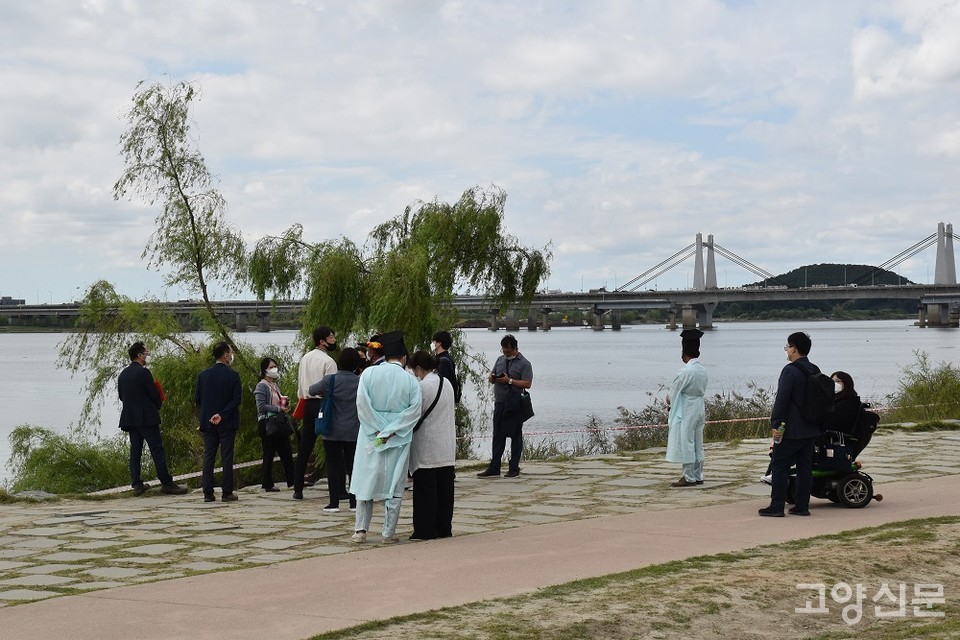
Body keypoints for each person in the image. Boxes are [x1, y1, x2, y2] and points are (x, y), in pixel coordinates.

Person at [350, 331, 422, 544]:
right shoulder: (410, 380)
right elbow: (414, 411)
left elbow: (362, 405)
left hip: (371, 435)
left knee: (366, 480)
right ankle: (388, 533)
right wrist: (391, 430)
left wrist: (379, 429)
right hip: (397, 438)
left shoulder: (368, 375)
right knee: (394, 484)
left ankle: (360, 530)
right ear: (404, 358)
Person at [759, 331, 824, 517]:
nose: (786, 350)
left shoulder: (790, 371)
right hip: (811, 427)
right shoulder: (814, 368)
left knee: (780, 464)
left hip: (791, 428)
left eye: (787, 347)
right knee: (805, 467)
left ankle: (777, 506)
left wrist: (775, 422)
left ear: (794, 349)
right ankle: (802, 506)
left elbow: (782, 399)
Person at [117, 342, 187, 496]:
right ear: (139, 355)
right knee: (157, 449)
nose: (147, 355)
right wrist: (157, 405)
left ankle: (137, 483)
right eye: (145, 352)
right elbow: (154, 395)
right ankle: (167, 483)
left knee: (135, 450)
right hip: (147, 418)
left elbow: (122, 396)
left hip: (130, 418)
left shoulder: (123, 374)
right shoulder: (144, 373)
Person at [308, 347, 364, 513]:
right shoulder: (360, 381)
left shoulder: (329, 380)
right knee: (353, 466)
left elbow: (311, 390)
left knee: (333, 465)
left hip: (331, 430)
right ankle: (354, 502)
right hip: (354, 430)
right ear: (356, 364)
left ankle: (334, 503)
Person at [408, 350, 456, 540]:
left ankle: (425, 529)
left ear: (418, 368)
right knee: (445, 490)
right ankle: (443, 527)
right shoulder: (447, 384)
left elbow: (414, 414)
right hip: (446, 443)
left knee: (426, 491)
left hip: (427, 444)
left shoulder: (422, 387)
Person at [477, 334, 533, 478]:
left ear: (515, 348)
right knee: (498, 435)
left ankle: (514, 467)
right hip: (500, 402)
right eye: (504, 351)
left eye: (508, 351)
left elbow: (527, 383)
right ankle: (494, 466)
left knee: (515, 435)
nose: (506, 354)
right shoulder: (499, 360)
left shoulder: (525, 364)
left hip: (515, 403)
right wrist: (492, 378)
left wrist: (509, 381)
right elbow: (493, 376)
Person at [293, 326, 339, 500]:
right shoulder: (328, 362)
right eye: (331, 336)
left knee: (305, 447)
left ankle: (298, 488)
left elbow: (300, 386)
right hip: (323, 403)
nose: (334, 339)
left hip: (307, 403)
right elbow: (332, 388)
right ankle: (337, 488)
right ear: (322, 341)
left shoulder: (305, 358)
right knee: (331, 446)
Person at [196, 341, 242, 503]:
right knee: (226, 456)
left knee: (209, 456)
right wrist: (222, 414)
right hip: (227, 421)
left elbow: (198, 399)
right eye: (230, 352)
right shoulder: (233, 375)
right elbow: (236, 400)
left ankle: (208, 492)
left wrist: (210, 414)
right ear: (225, 355)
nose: (231, 355)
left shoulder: (203, 375)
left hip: (208, 421)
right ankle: (227, 492)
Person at [665, 329, 708, 487]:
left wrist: (669, 402)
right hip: (699, 407)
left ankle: (688, 476)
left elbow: (674, 393)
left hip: (687, 409)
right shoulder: (703, 370)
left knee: (687, 442)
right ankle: (698, 474)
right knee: (698, 442)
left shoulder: (684, 372)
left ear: (684, 353)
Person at [254, 356, 295, 492]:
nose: (274, 369)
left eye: (275, 367)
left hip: (278, 422)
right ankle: (267, 483)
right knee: (269, 453)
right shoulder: (261, 386)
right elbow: (261, 406)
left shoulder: (274, 385)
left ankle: (293, 480)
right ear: (265, 370)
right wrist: (278, 409)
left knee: (286, 452)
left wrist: (283, 404)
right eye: (271, 367)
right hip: (267, 423)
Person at [432, 330, 461, 404]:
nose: (433, 344)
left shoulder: (442, 361)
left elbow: (442, 383)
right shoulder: (448, 358)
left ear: (439, 344)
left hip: (443, 400)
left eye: (434, 342)